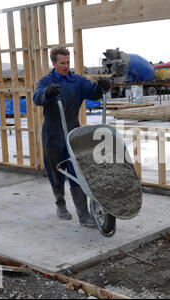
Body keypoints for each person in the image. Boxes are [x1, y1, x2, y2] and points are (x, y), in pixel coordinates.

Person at [33, 46, 111, 227]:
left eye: (68, 62)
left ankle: (83, 215)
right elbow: (37, 98)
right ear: (54, 63)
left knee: (77, 173)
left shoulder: (77, 81)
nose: (66, 66)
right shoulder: (46, 81)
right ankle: (60, 204)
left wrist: (101, 88)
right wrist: (47, 93)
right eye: (62, 63)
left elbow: (93, 92)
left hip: (72, 134)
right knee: (55, 171)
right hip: (52, 135)